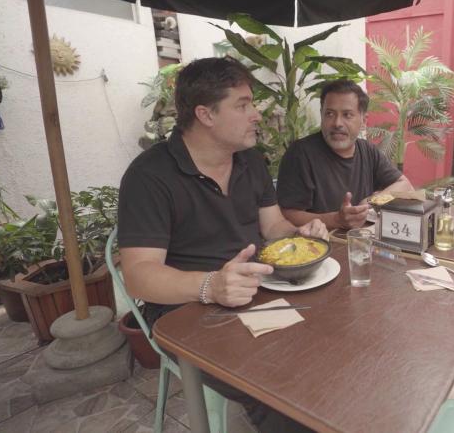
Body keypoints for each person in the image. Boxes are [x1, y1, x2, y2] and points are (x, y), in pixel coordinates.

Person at [118, 57, 324, 431]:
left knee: (326, 344)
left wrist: (300, 236)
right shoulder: (149, 176)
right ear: (205, 115)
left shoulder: (250, 161)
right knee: (280, 392)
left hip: (257, 290)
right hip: (187, 312)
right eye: (243, 105)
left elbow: (274, 224)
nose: (257, 114)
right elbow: (139, 276)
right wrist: (212, 285)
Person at [277, 79, 414, 229]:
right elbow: (287, 214)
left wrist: (371, 202)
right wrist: (336, 220)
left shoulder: (368, 151)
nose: (337, 123)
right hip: (318, 246)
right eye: (329, 114)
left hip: (361, 241)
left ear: (363, 121)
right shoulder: (300, 154)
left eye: (347, 115)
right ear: (322, 115)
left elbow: (404, 185)